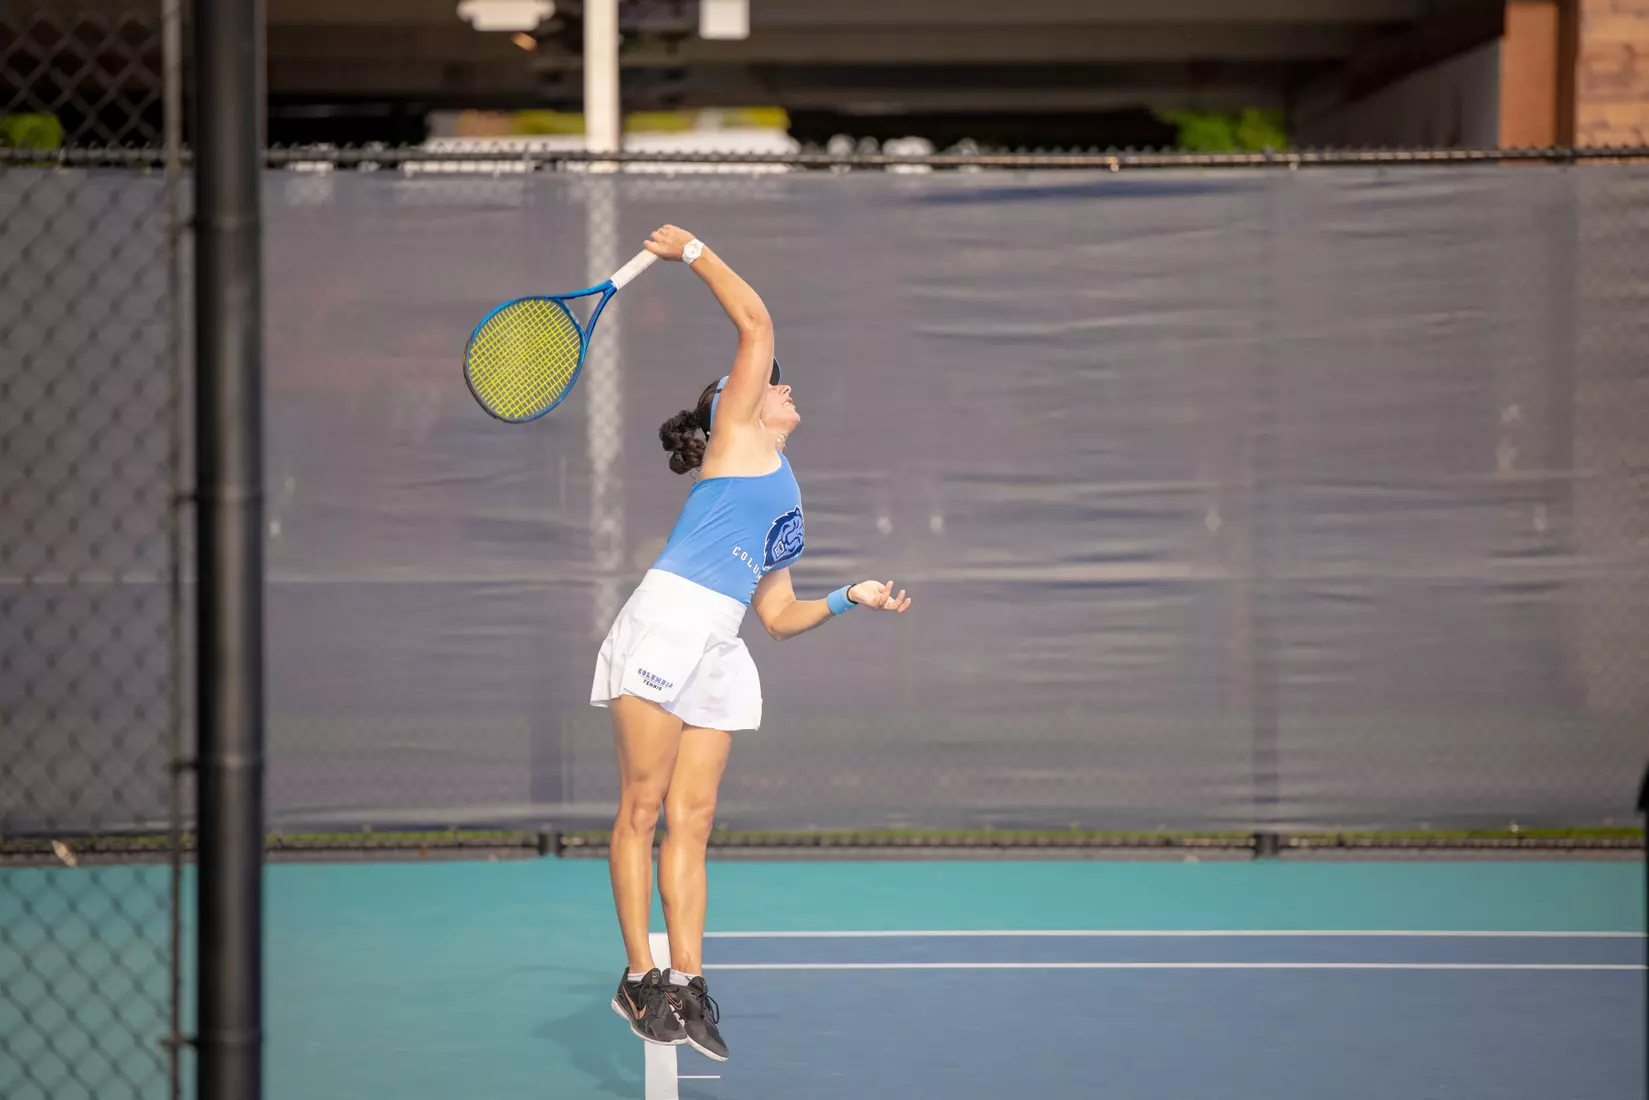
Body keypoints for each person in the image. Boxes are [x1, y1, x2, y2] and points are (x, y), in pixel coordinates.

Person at [592, 225, 911, 1061]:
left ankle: (687, 984)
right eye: (772, 386)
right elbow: (756, 324)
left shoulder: (785, 505)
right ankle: (637, 979)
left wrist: (850, 597)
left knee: (692, 820)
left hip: (721, 639)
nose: (783, 386)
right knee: (643, 809)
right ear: (732, 404)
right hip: (666, 621)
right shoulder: (735, 441)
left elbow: (776, 617)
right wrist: (691, 250)